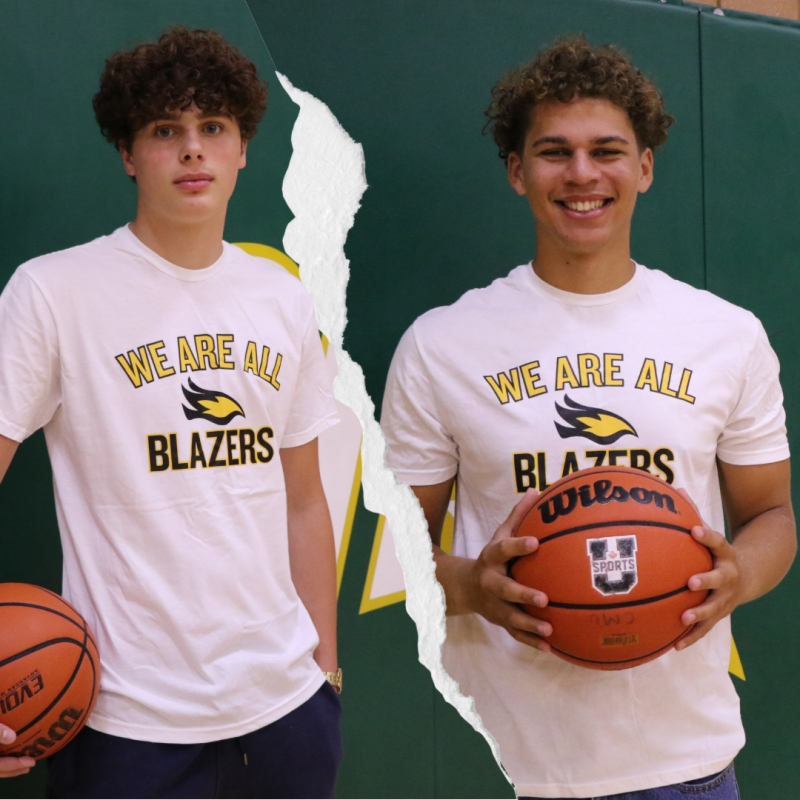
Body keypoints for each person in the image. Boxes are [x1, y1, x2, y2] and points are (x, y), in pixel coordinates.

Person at [381, 37, 796, 799]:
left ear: (643, 166)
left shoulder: (726, 335)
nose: (581, 174)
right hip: (510, 769)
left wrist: (741, 575)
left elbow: (772, 513)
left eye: (607, 150)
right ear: (517, 172)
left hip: (688, 763)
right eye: (553, 152)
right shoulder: (441, 347)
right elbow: (395, 553)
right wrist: (474, 586)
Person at [0, 27, 342, 798]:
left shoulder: (281, 297)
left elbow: (303, 499)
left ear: (243, 148)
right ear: (128, 153)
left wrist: (326, 672)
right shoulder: (55, 292)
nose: (193, 151)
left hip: (286, 710)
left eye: (213, 128)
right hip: (128, 721)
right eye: (165, 132)